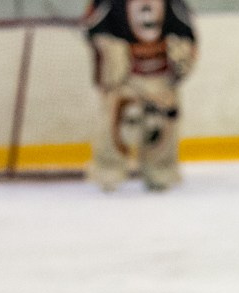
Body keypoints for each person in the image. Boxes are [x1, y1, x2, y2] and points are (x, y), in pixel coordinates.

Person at [84, 0, 197, 192]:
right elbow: (94, 28)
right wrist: (110, 55)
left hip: (160, 75)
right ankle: (108, 172)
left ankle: (161, 172)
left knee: (163, 123)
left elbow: (187, 33)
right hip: (125, 77)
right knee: (114, 120)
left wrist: (180, 54)